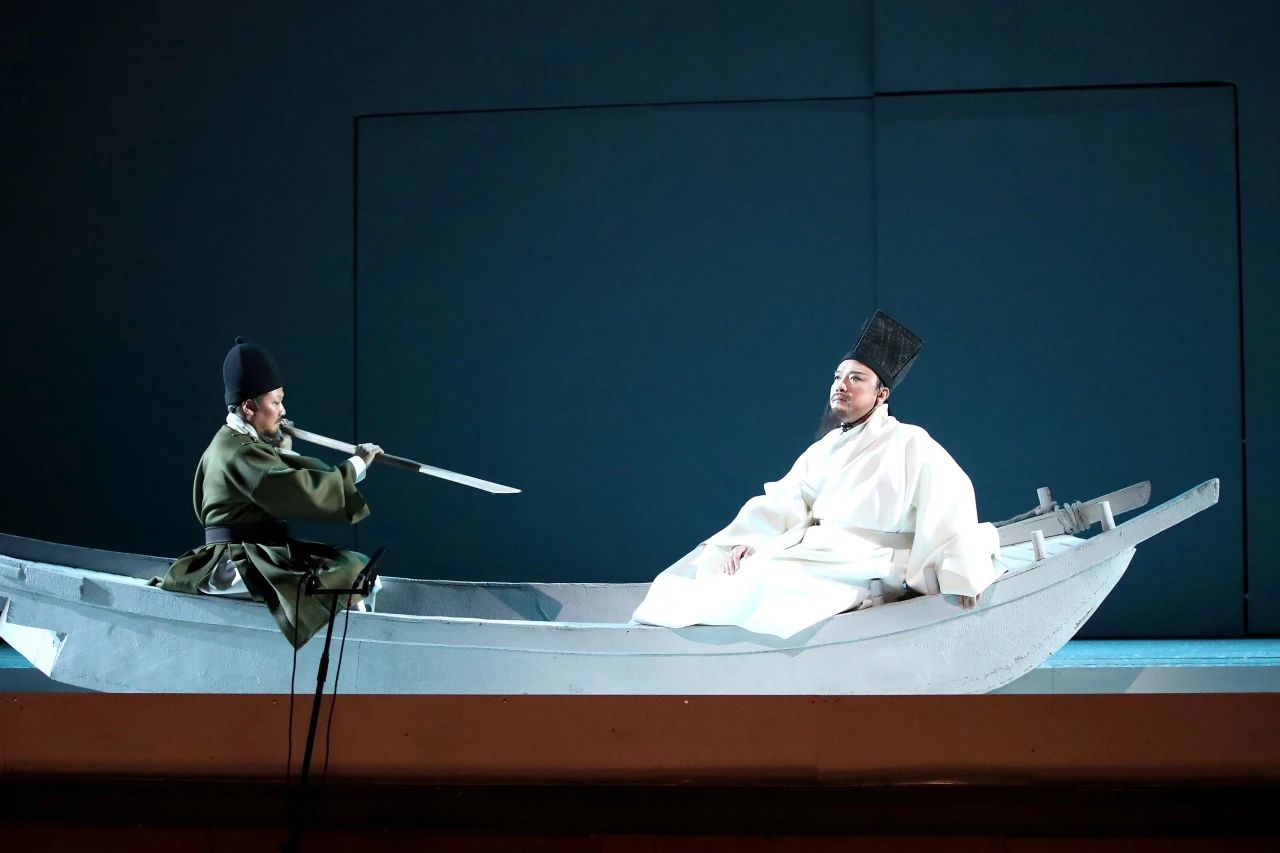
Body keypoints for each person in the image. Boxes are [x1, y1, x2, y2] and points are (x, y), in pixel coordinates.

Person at [631, 311, 1001, 638]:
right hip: (821, 550)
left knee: (764, 583)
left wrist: (959, 570)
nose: (842, 385)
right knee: (716, 566)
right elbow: (787, 500)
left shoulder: (909, 441)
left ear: (881, 394)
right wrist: (752, 540)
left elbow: (949, 500)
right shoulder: (826, 449)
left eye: (856, 378)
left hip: (873, 559)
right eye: (838, 376)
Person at [158, 338, 383, 647]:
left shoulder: (237, 442)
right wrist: (357, 463)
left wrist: (283, 449)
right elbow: (297, 489)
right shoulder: (239, 451)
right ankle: (356, 647)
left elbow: (279, 474)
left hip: (256, 549)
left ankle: (358, 642)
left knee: (358, 569)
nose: (282, 410)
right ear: (249, 407)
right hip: (236, 560)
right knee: (349, 573)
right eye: (275, 403)